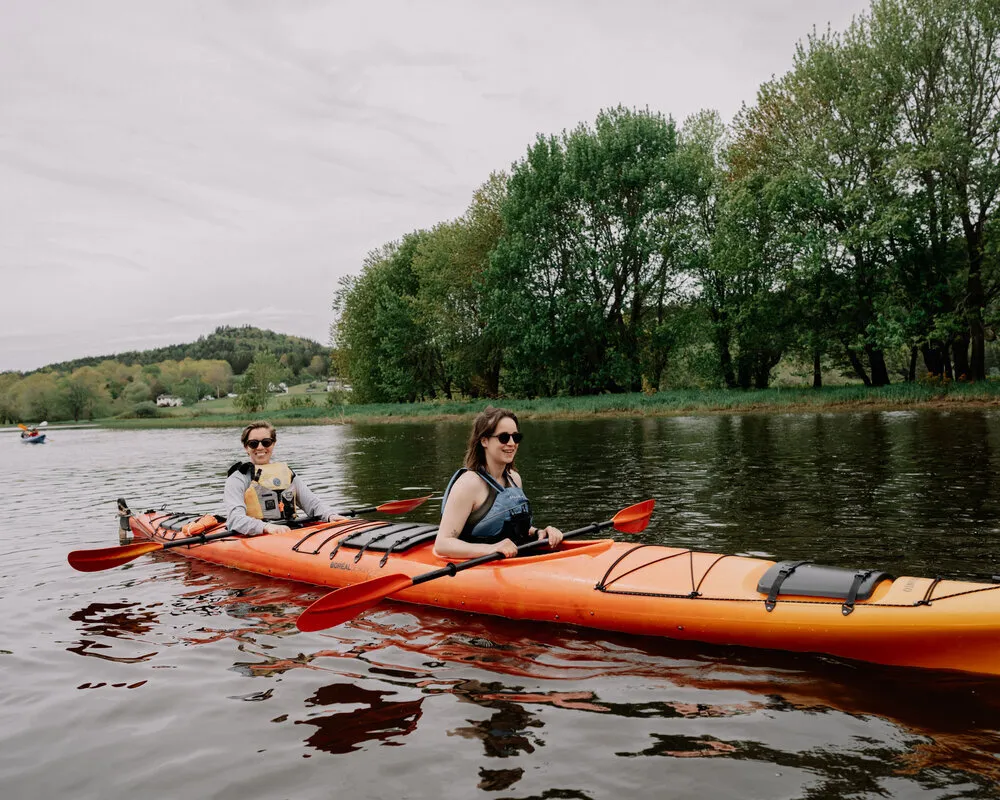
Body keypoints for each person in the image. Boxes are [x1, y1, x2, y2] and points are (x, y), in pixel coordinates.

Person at [435, 406, 563, 559]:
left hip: (514, 561)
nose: (511, 443)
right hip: (481, 569)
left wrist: (538, 532)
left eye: (516, 437)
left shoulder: (514, 478)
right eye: (503, 437)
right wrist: (491, 549)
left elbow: (511, 526)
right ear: (484, 441)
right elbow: (442, 544)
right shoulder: (468, 485)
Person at [224, 421, 345, 536]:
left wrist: (330, 515)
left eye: (266, 442)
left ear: (273, 444)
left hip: (291, 532)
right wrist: (266, 527)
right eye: (253, 443)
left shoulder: (287, 473)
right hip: (258, 536)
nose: (260, 447)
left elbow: (312, 503)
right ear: (246, 447)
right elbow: (235, 518)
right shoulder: (238, 477)